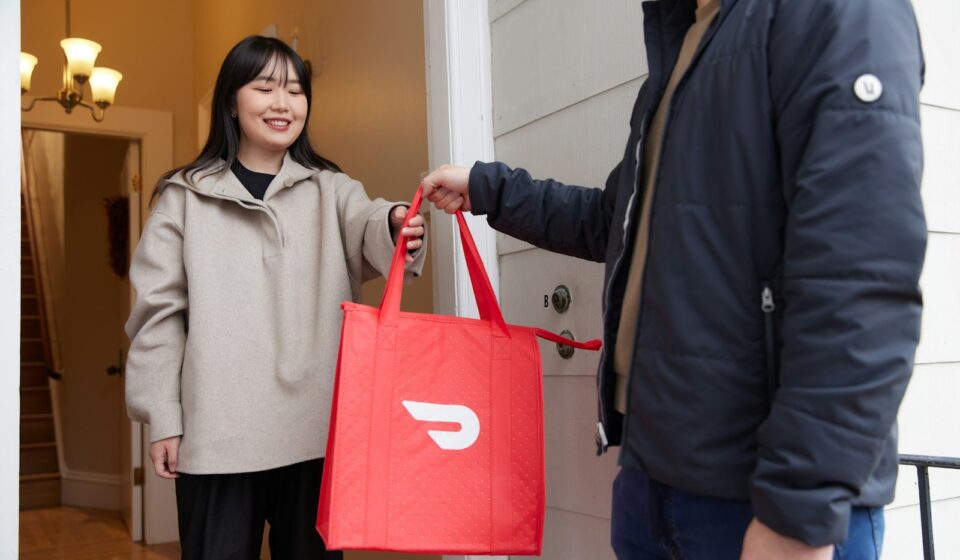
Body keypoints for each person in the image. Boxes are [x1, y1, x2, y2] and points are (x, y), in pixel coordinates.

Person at [421, 0, 926, 558]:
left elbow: (861, 276)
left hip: (767, 501)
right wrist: (489, 189)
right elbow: (613, 223)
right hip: (649, 478)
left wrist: (798, 511)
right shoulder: (684, 44)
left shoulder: (835, 12)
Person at [124, 35, 426, 559]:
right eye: (265, 88)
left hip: (315, 434)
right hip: (216, 437)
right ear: (231, 103)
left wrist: (398, 221)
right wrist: (163, 418)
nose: (283, 103)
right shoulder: (183, 198)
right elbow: (158, 318)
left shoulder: (330, 189)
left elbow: (373, 224)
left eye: (295, 90)